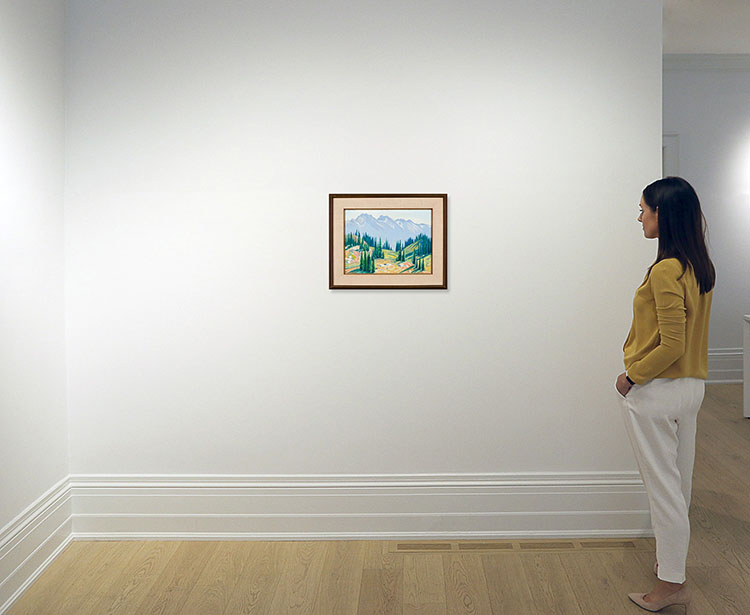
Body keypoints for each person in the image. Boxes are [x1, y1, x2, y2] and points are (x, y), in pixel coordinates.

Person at [615, 176, 715, 613]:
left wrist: (632, 376)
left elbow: (671, 343)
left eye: (643, 209)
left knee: (664, 490)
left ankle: (671, 584)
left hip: (658, 391)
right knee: (680, 485)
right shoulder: (698, 266)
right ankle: (670, 567)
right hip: (691, 389)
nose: (639, 216)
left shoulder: (665, 269)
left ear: (663, 214)